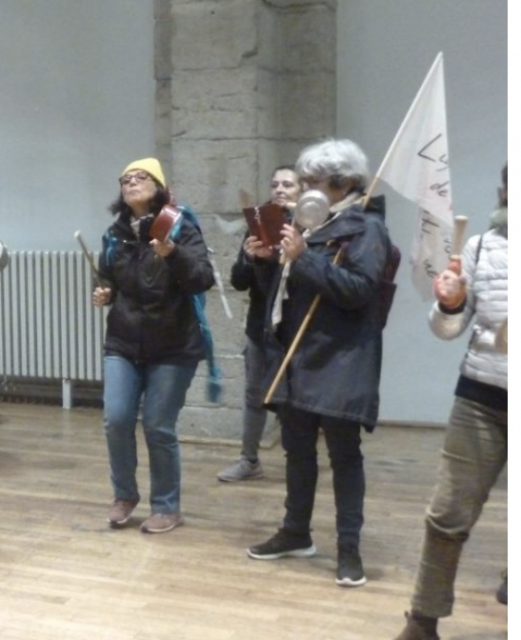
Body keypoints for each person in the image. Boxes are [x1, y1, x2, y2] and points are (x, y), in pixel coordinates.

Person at [245, 138, 391, 587]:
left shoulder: (365, 229)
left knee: (344, 456)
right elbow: (287, 290)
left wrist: (304, 259)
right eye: (303, 179)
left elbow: (357, 291)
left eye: (313, 181)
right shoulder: (305, 224)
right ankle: (295, 532)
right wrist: (267, 262)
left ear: (343, 183)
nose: (304, 188)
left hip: (339, 357)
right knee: (297, 451)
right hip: (294, 355)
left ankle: (349, 549)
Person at [393, 164, 508, 640]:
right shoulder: (482, 247)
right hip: (481, 399)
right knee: (447, 514)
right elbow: (447, 331)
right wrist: (451, 303)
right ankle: (423, 621)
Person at [91, 158, 215, 535]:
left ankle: (166, 506)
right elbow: (109, 277)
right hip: (124, 342)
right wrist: (104, 292)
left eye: (139, 177)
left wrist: (172, 254)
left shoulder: (179, 225)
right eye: (124, 179)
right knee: (116, 419)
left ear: (158, 184)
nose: (130, 183)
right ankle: (125, 495)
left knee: (159, 426)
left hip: (173, 345)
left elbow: (202, 278)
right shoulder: (116, 233)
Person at [217, 166, 301, 482]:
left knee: (294, 400)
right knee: (253, 394)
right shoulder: (259, 225)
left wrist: (278, 258)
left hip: (293, 330)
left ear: (301, 191)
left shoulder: (306, 227)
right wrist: (253, 259)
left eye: (288, 184)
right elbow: (238, 281)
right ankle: (249, 460)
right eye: (275, 184)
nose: (280, 189)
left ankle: (300, 461)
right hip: (260, 326)